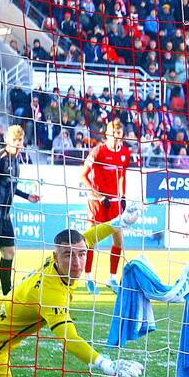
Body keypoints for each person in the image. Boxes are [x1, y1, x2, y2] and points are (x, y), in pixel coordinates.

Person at [0, 222, 144, 377]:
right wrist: (104, 364)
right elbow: (69, 337)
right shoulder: (51, 294)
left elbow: (88, 237)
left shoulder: (58, 261)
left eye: (82, 254)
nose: (77, 262)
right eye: (69, 255)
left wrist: (119, 221)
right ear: (56, 256)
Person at [0, 125, 41, 295]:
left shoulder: (16, 160)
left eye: (20, 140)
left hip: (5, 215)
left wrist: (26, 196)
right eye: (14, 140)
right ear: (6, 140)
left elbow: (10, 186)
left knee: (9, 252)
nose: (17, 143)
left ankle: (7, 295)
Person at [79, 119, 131, 294]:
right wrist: (99, 196)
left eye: (119, 135)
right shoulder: (98, 151)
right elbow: (83, 176)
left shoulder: (125, 152)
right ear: (108, 135)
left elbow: (122, 175)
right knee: (90, 241)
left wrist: (123, 196)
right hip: (97, 202)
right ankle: (88, 278)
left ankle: (111, 278)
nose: (117, 139)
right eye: (114, 135)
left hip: (115, 203)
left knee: (119, 241)